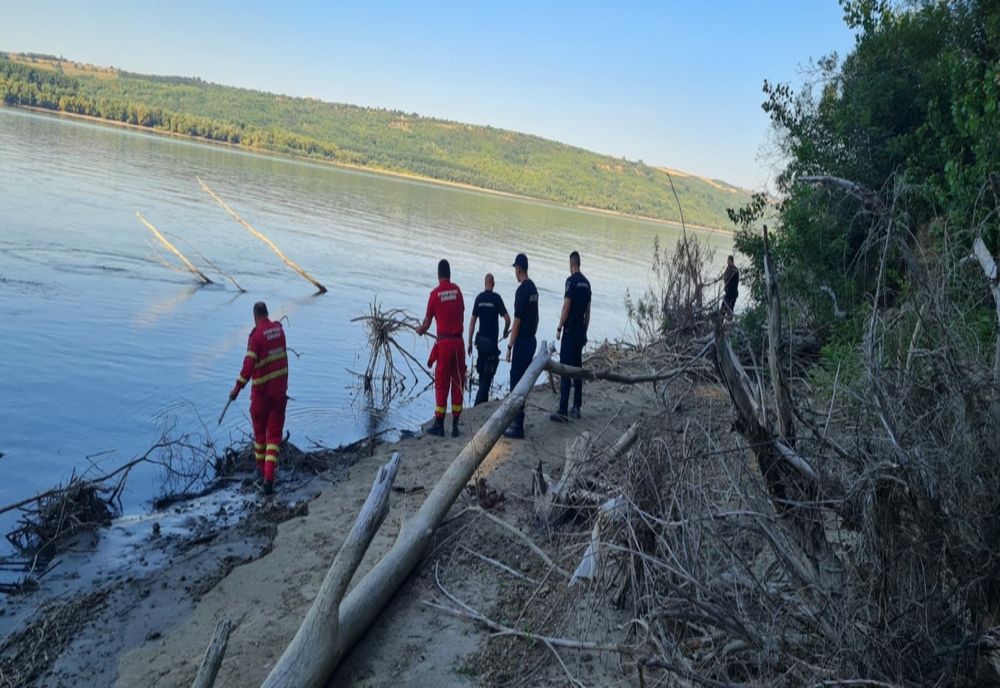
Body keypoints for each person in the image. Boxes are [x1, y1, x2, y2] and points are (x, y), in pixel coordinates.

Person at [230, 301, 288, 496]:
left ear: (255, 317)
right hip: (279, 395)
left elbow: (248, 366)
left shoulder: (255, 337)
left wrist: (236, 389)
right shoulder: (279, 331)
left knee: (260, 439)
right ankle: (269, 479)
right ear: (267, 313)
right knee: (273, 439)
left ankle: (261, 472)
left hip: (261, 397)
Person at [416, 259, 466, 437]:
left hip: (444, 344)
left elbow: (427, 323)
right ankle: (455, 425)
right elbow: (462, 311)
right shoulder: (458, 291)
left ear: (438, 275)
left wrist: (420, 330)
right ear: (449, 274)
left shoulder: (435, 294)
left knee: (442, 383)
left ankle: (439, 424)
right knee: (458, 382)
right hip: (459, 343)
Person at [551, 251, 591, 422]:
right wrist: (585, 331)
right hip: (581, 330)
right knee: (578, 369)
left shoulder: (571, 282)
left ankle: (562, 410)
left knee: (565, 369)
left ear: (571, 264)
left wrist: (559, 327)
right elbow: (588, 312)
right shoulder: (587, 284)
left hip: (570, 331)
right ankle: (576, 406)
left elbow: (566, 307)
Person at [504, 253, 539, 439]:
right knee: (523, 381)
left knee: (516, 382)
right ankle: (518, 421)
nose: (515, 274)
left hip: (522, 341)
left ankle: (516, 424)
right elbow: (536, 317)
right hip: (531, 339)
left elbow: (516, 321)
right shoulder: (534, 289)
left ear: (518, 268)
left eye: (515, 270)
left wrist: (510, 347)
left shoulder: (522, 291)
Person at [467, 273, 511, 406]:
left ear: (484, 283)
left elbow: (473, 322)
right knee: (487, 376)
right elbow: (508, 319)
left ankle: (481, 404)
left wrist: (469, 342)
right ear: (493, 284)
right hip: (492, 345)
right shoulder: (497, 299)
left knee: (482, 374)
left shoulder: (479, 298)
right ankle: (479, 404)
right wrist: (505, 331)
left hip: (481, 343)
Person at [722, 255, 739, 319]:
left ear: (731, 261)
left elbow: (732, 281)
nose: (727, 262)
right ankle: (721, 324)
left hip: (732, 293)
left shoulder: (734, 270)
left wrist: (727, 286)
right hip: (728, 292)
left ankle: (729, 324)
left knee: (730, 309)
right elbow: (725, 278)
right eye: (727, 261)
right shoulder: (728, 269)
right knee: (723, 309)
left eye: (728, 261)